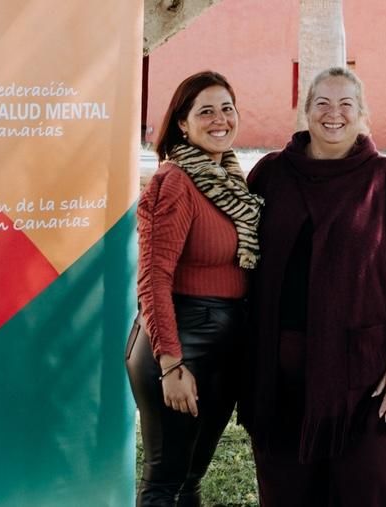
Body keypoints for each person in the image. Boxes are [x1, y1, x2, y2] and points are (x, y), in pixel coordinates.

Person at [238, 67, 386, 507]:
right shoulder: (272, 174)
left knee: (368, 491)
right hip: (279, 374)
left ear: (363, 115)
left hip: (365, 378)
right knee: (286, 492)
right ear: (305, 111)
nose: (333, 114)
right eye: (322, 103)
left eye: (346, 104)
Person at [127, 70, 265, 506]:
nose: (220, 119)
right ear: (182, 124)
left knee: (190, 479)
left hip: (224, 342)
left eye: (227, 108)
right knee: (164, 484)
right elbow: (152, 277)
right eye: (205, 111)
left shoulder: (228, 179)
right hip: (180, 342)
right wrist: (171, 364)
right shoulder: (176, 182)